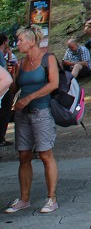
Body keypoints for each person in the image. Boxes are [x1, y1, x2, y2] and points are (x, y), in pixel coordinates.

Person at [4, 27, 59, 214]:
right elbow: (13, 89)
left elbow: (53, 84)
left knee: (45, 154)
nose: (17, 43)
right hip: (23, 114)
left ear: (31, 41)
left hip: (41, 111)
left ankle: (52, 198)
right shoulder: (20, 62)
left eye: (20, 40)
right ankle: (24, 199)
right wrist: (12, 78)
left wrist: (29, 97)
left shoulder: (48, 59)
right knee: (23, 156)